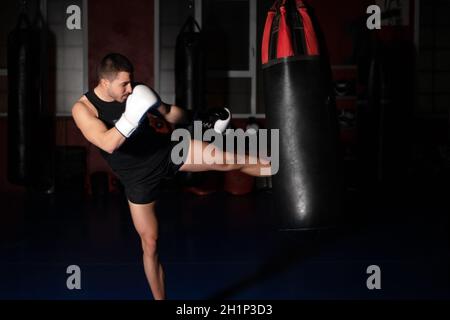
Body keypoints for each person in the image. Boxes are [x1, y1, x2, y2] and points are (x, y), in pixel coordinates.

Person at [71, 53, 271, 300]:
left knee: (225, 160)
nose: (130, 89)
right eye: (124, 84)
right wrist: (131, 116)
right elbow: (107, 143)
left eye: (131, 82)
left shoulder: (136, 92)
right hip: (136, 179)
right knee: (151, 243)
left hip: (164, 151)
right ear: (104, 82)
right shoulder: (83, 109)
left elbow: (168, 113)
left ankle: (280, 168)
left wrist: (198, 116)